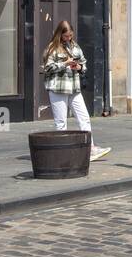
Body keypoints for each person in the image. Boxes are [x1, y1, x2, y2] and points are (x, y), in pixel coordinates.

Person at [41, 20, 110, 161]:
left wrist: (79, 67)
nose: (69, 38)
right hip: (58, 88)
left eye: (71, 36)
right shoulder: (52, 48)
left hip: (74, 88)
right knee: (61, 122)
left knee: (84, 117)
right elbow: (47, 68)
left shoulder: (75, 46)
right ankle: (63, 153)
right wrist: (64, 64)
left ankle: (90, 149)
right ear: (60, 34)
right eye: (66, 36)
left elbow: (83, 64)